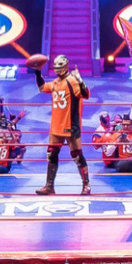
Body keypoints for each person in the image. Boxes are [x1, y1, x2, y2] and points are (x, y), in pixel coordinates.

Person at [34, 55, 91, 195]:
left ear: (65, 67)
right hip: (55, 126)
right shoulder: (55, 82)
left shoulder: (72, 81)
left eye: (59, 68)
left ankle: (86, 185)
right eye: (56, 68)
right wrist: (37, 71)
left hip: (71, 125)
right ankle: (49, 186)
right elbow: (42, 87)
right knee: (51, 154)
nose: (57, 70)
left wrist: (80, 79)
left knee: (77, 156)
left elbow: (86, 94)